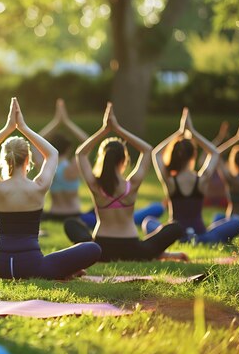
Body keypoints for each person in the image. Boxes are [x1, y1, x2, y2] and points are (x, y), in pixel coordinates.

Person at [0, 98, 101, 279]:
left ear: (5, 160)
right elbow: (52, 153)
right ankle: (63, 271)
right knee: (93, 248)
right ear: (28, 160)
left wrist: (8, 127)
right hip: (34, 266)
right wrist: (23, 127)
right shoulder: (39, 186)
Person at [63, 104, 186, 262]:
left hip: (101, 249)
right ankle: (159, 254)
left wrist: (105, 130)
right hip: (132, 249)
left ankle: (90, 251)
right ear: (123, 160)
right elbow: (147, 150)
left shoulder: (95, 185)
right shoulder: (132, 184)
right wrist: (118, 129)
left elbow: (81, 154)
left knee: (71, 224)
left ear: (103, 159)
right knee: (175, 227)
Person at [143, 109, 239, 244]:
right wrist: (192, 132)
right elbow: (214, 153)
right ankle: (197, 240)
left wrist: (180, 131)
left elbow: (156, 153)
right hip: (201, 235)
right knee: (237, 222)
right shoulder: (201, 180)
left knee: (148, 222)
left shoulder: (171, 181)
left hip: (175, 236)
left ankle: (183, 240)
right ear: (193, 156)